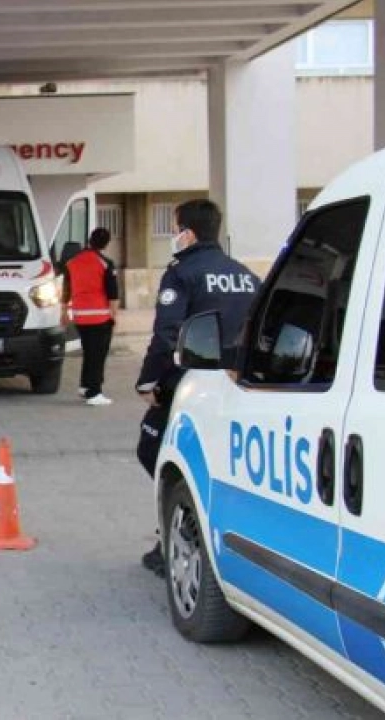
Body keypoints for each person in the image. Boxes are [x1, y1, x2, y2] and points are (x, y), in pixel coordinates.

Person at [135, 199, 259, 576]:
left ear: (187, 234)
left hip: (191, 385)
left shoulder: (182, 273)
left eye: (175, 229)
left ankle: (177, 540)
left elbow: (166, 335)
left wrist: (149, 381)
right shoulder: (245, 275)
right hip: (236, 384)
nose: (173, 236)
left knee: (154, 450)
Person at [64, 228, 120, 406]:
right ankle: (94, 392)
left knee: (89, 352)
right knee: (98, 356)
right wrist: (114, 315)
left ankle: (85, 386)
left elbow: (66, 288)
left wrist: (63, 311)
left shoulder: (72, 262)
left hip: (80, 316)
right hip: (99, 317)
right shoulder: (105, 263)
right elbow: (112, 293)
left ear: (90, 240)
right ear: (106, 243)